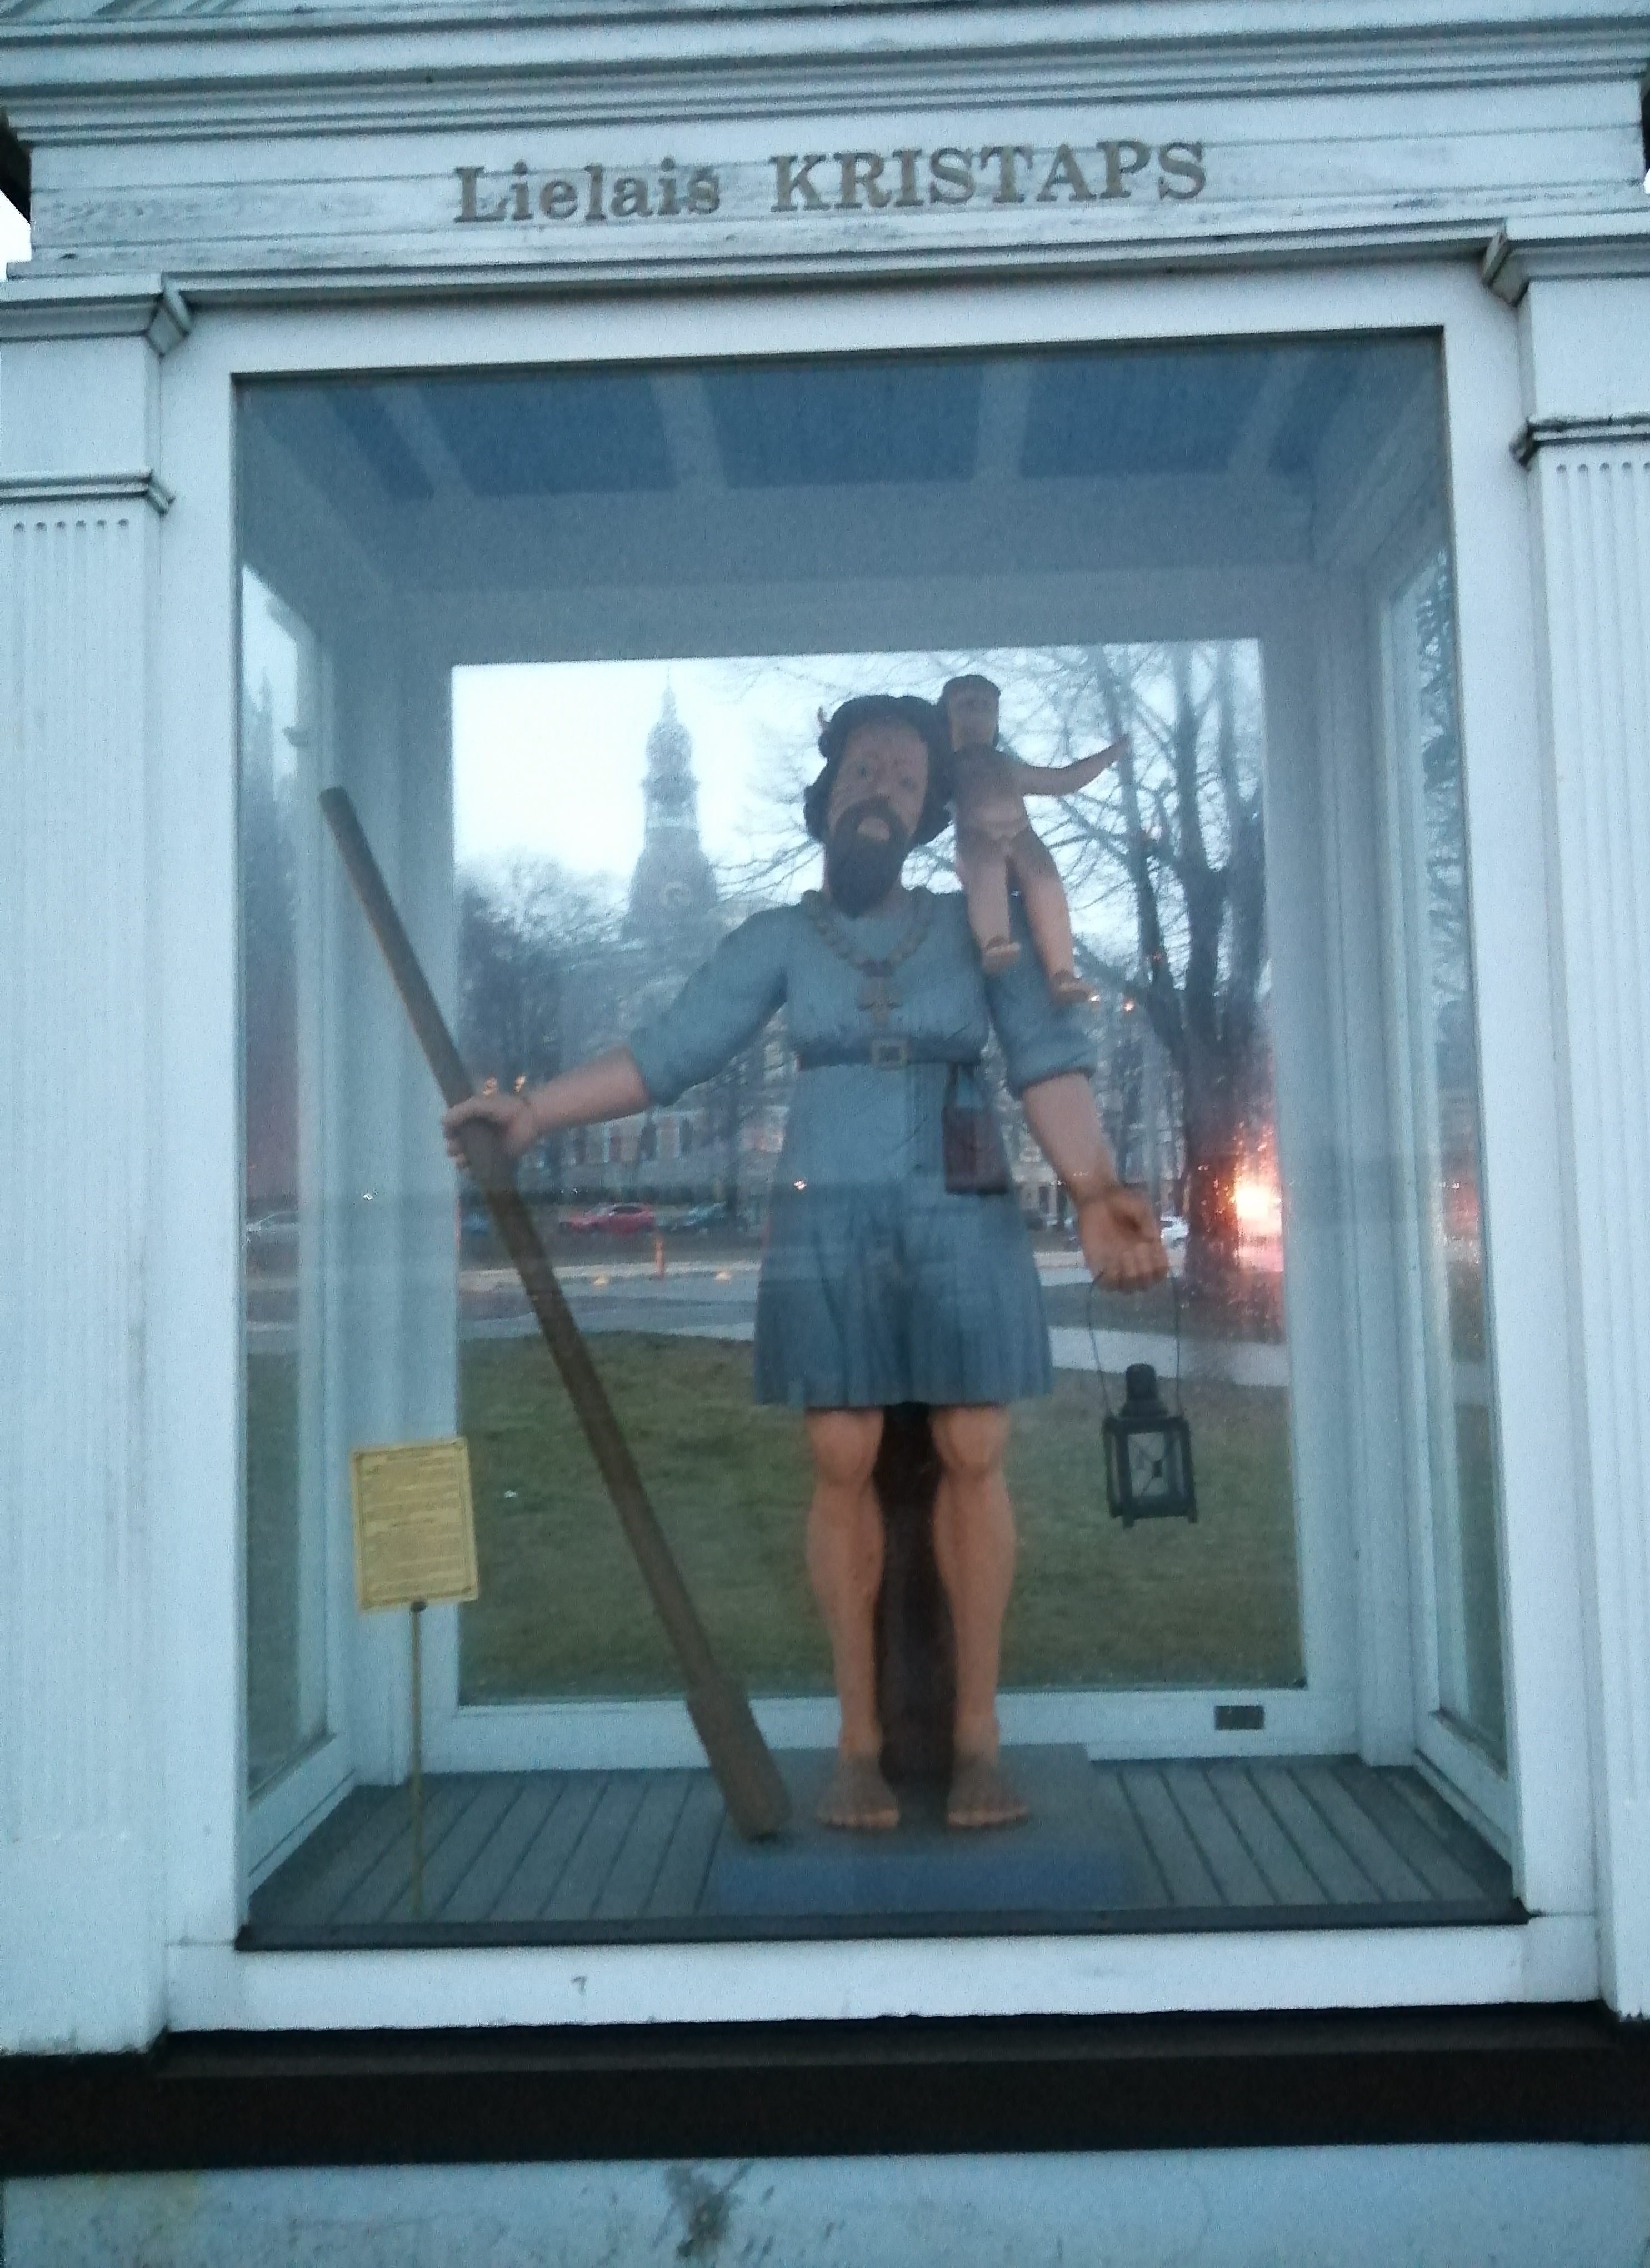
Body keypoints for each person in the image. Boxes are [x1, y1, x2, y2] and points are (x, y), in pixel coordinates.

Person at [445, 692, 1164, 1830]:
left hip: (961, 1207)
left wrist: (1096, 1188)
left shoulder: (977, 923)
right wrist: (536, 1115)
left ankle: (978, 1739)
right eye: (866, 769)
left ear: (928, 816)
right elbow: (669, 1050)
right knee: (841, 1451)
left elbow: (1044, 1054)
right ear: (827, 795)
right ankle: (857, 1743)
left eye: (908, 779)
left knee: (976, 1443)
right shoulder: (783, 940)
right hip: (827, 1214)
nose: (884, 789)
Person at [941, 672, 1126, 1005]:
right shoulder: (948, 767)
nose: (978, 712)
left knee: (1046, 882)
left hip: (1022, 834)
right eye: (968, 704)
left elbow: (1062, 779)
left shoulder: (1008, 766)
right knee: (986, 871)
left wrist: (1106, 758)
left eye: (986, 706)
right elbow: (916, 791)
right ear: (948, 717)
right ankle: (993, 940)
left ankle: (1062, 973)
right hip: (976, 834)